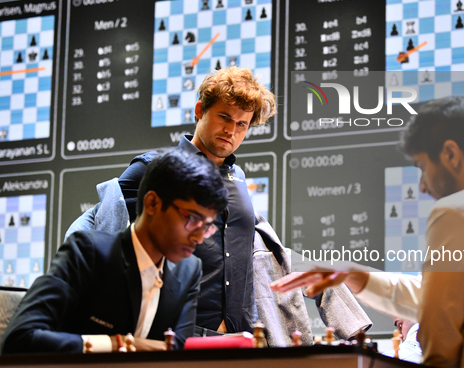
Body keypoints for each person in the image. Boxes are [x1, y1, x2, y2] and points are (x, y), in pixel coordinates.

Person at [271, 97, 464, 366]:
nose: (422, 186)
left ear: (451, 154)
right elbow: (443, 295)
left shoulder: (459, 211)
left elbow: (440, 341)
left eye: (423, 167)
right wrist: (356, 276)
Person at [67, 67, 372, 342]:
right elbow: (102, 232)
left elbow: (267, 252)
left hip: (244, 337)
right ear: (200, 110)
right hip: (176, 336)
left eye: (242, 124)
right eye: (224, 117)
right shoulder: (153, 169)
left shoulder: (237, 178)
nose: (231, 131)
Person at [1, 149, 228, 354]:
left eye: (207, 227)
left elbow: (176, 352)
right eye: (192, 219)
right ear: (152, 203)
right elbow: (19, 338)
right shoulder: (87, 252)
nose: (199, 237)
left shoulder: (188, 270)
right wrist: (118, 344)